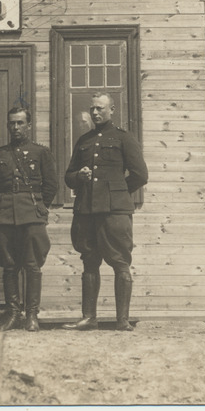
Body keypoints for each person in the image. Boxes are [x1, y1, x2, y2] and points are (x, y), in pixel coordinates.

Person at [62, 92, 148, 331]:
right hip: (86, 211)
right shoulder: (84, 141)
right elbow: (68, 177)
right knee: (89, 261)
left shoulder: (124, 138)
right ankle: (89, 318)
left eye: (100, 108)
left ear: (112, 110)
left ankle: (122, 320)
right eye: (92, 109)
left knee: (120, 261)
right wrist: (79, 176)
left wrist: (117, 194)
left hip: (114, 213)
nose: (95, 113)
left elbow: (141, 174)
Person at [0, 107, 58, 332]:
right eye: (12, 124)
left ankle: (32, 315)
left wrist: (38, 208)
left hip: (31, 214)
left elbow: (51, 185)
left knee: (32, 265)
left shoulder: (41, 152)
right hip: (6, 214)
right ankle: (13, 313)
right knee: (9, 265)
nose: (16, 128)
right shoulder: (0, 154)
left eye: (20, 123)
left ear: (29, 125)